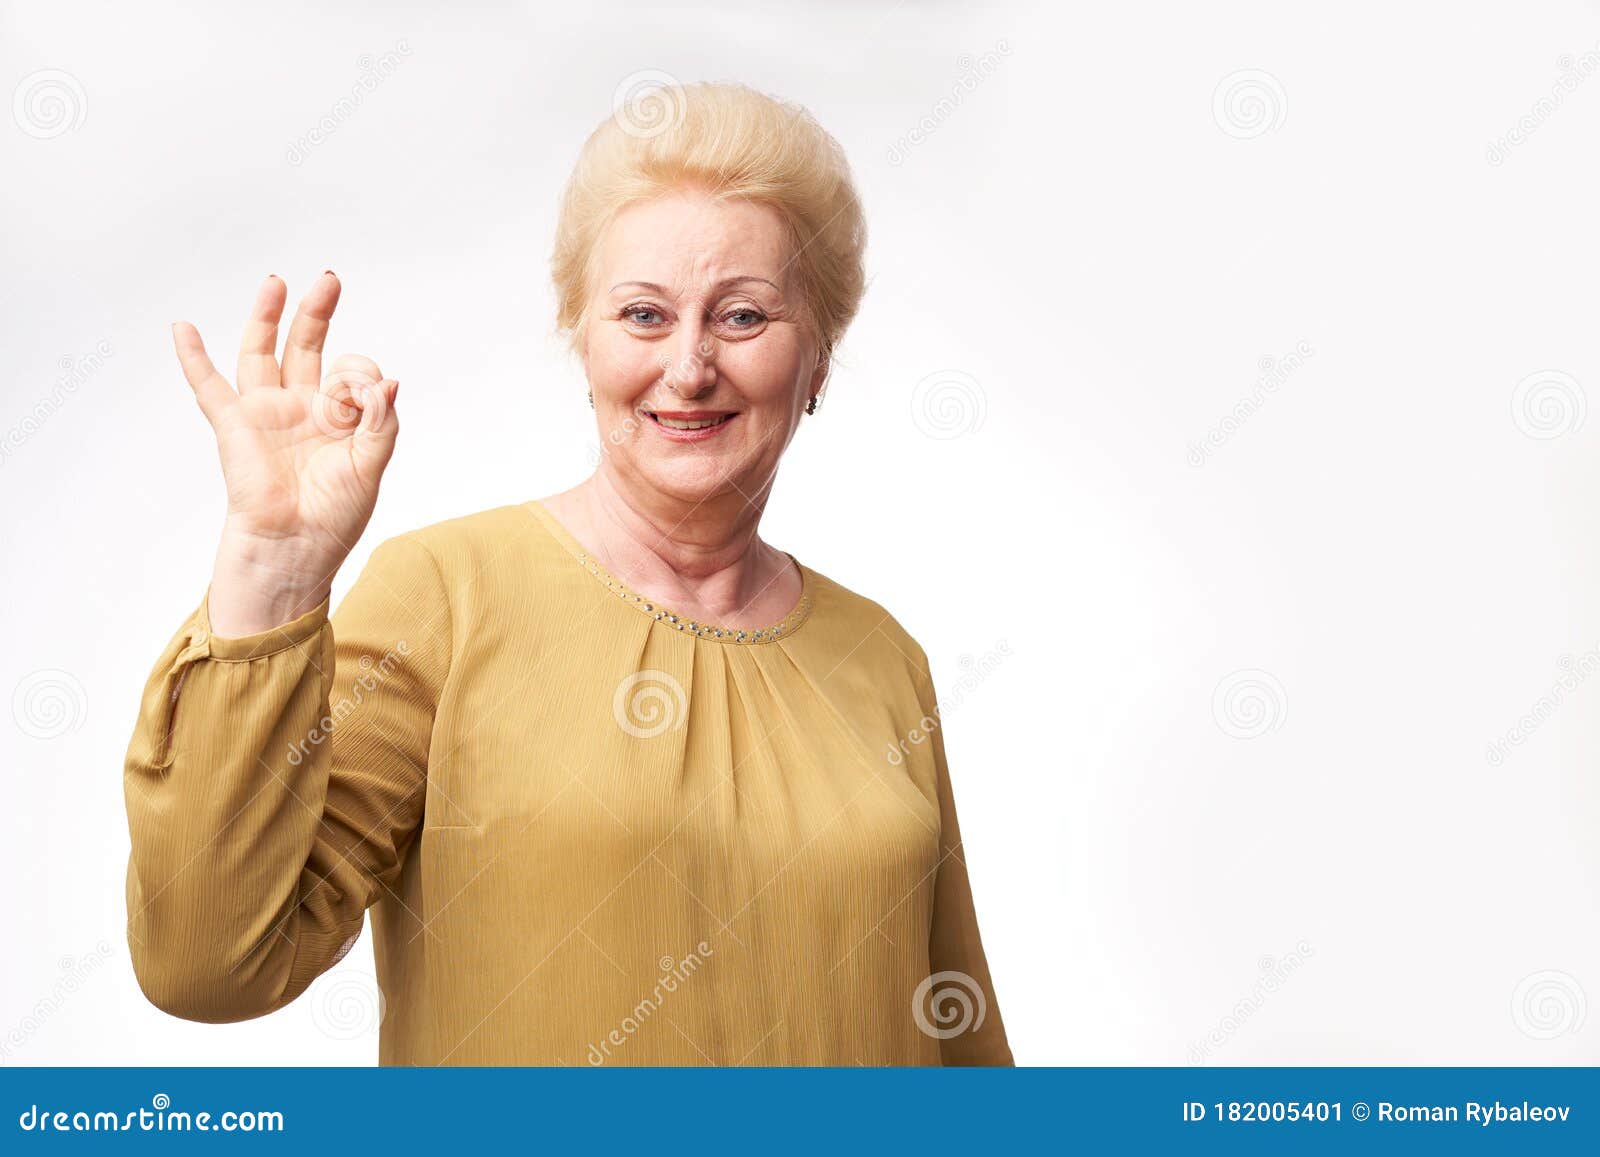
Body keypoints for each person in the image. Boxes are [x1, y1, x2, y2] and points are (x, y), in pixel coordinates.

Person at [122, 81, 1012, 1066]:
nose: (689, 364)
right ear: (581, 343)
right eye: (642, 314)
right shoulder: (445, 594)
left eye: (745, 316)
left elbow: (956, 1030)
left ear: (819, 363)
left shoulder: (883, 657)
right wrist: (272, 565)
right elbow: (209, 962)